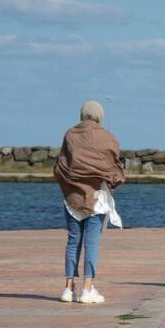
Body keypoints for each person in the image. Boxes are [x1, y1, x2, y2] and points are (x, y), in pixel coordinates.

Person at [53, 100, 125, 305]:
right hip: (97, 199)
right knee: (91, 243)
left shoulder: (70, 135)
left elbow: (60, 166)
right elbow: (114, 169)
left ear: (82, 115)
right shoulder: (108, 138)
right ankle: (87, 289)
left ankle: (68, 289)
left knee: (73, 241)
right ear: (99, 117)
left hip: (72, 199)